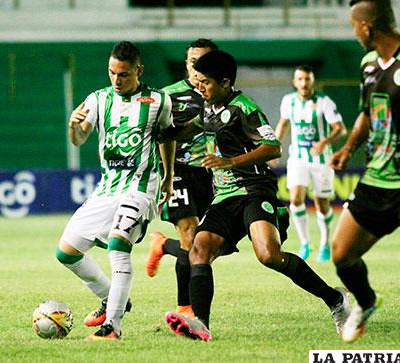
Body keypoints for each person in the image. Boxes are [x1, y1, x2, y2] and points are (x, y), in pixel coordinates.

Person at [162, 50, 350, 342]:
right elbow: (184, 131)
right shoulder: (207, 108)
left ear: (225, 82)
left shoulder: (243, 108)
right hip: (225, 195)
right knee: (199, 249)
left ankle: (335, 299)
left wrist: (232, 162)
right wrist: (157, 130)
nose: (200, 87)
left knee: (268, 255)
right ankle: (200, 324)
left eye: (206, 83)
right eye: (198, 82)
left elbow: (273, 147)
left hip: (254, 188)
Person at [55, 41, 176, 341]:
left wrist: (169, 176)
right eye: (112, 73)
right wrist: (73, 127)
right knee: (66, 252)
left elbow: (167, 137)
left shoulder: (159, 102)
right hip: (107, 189)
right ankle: (111, 297)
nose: (117, 80)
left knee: (119, 244)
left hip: (140, 189)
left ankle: (113, 326)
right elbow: (79, 139)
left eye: (123, 74)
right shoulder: (97, 100)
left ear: (139, 70)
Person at [330, 0, 400, 343]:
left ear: (366, 27)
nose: (353, 32)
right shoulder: (367, 64)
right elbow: (366, 112)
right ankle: (366, 302)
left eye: (353, 26)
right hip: (378, 176)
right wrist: (348, 148)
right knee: (342, 254)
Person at [145, 39, 218, 319]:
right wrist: (166, 172)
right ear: (186, 64)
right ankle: (185, 307)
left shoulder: (221, 94)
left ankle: (163, 245)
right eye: (192, 63)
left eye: (204, 64)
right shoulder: (168, 95)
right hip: (177, 170)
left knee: (209, 246)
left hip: (211, 172)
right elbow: (156, 134)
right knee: (189, 233)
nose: (198, 70)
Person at [273, 65, 346, 262]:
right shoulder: (288, 101)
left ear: (312, 81)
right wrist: (274, 146)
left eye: (307, 79)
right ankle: (304, 243)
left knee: (321, 203)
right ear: (294, 82)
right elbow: (284, 123)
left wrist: (324, 141)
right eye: (300, 79)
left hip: (321, 160)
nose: (304, 83)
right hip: (298, 158)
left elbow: (340, 129)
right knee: (295, 198)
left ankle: (324, 243)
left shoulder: (324, 102)